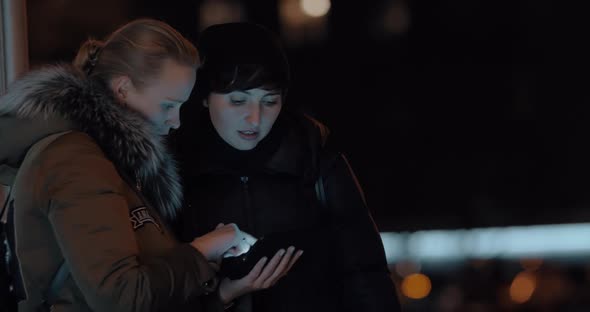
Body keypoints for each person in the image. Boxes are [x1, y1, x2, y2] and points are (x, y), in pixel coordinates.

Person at [0, 18, 297, 312]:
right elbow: (122, 298)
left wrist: (223, 294)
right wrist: (203, 249)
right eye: (168, 105)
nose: (176, 121)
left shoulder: (111, 160)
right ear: (123, 89)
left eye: (182, 107)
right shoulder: (76, 160)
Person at [171, 22, 401, 312]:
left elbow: (365, 270)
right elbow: (157, 288)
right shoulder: (174, 167)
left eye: (270, 101)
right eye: (238, 100)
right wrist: (219, 297)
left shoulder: (313, 155)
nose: (254, 118)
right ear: (204, 97)